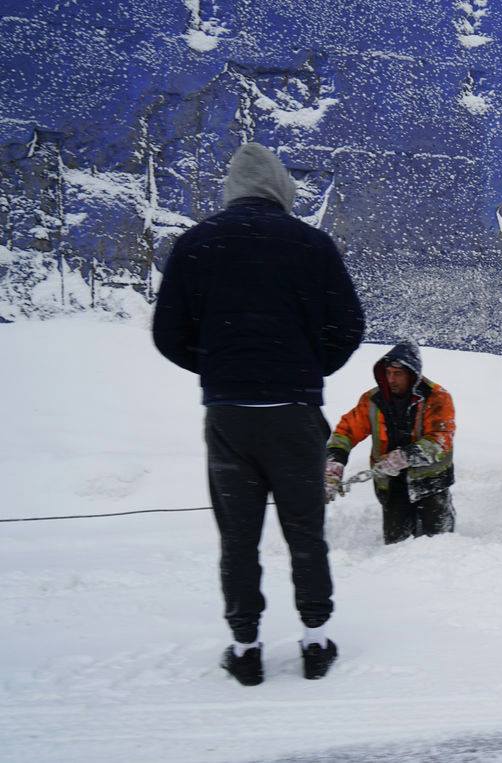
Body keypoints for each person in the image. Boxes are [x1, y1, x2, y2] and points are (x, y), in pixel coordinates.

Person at [152, 142, 364, 686]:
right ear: (281, 190)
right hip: (294, 414)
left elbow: (168, 334)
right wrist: (303, 369)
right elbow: (348, 327)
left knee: (238, 538)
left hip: (229, 419)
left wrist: (221, 368)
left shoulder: (196, 244)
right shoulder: (312, 245)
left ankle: (245, 650)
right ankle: (316, 642)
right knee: (305, 532)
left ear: (233, 189)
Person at [325, 340, 456, 544]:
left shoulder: (437, 397)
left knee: (442, 543)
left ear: (412, 374)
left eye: (398, 374)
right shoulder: (372, 400)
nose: (391, 379)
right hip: (391, 484)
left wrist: (405, 456)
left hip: (432, 482)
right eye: (388, 373)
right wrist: (335, 462)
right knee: (396, 545)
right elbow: (346, 431)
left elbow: (441, 440)